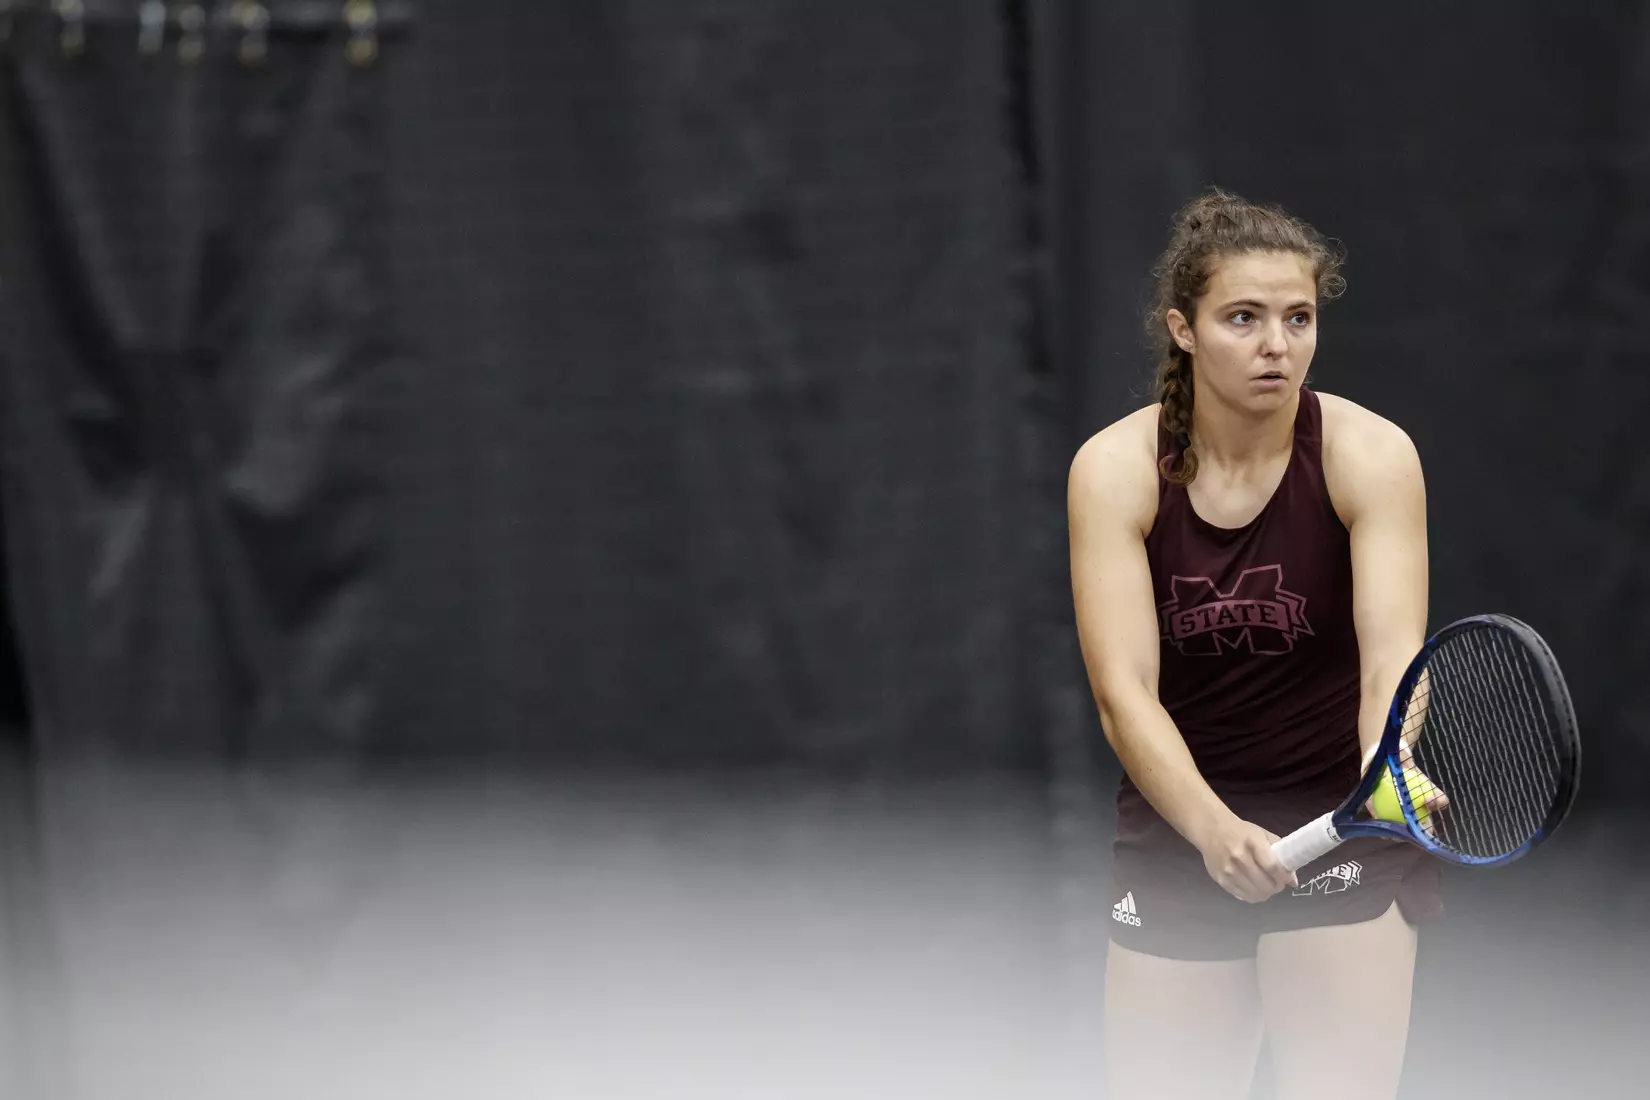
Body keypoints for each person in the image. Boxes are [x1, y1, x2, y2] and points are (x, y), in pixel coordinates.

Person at [1067, 188, 1445, 1100]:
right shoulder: (1114, 471)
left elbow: (1394, 660)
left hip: (1340, 820)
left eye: (1299, 317)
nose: (1278, 344)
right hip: (1179, 833)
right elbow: (1125, 696)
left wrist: (1386, 767)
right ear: (1183, 329)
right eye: (1244, 317)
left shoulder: (1372, 454)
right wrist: (1212, 831)